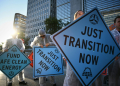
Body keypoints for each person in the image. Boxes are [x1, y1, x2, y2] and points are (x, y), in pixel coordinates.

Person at [63, 10, 84, 86]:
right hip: (72, 56)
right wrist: (65, 54)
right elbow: (65, 42)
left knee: (82, 77)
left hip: (83, 57)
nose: (81, 15)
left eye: (83, 14)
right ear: (75, 17)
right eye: (79, 14)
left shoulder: (87, 29)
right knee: (71, 77)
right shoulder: (70, 28)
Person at [108, 16, 120, 86]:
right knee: (113, 79)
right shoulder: (111, 33)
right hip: (114, 59)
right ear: (114, 24)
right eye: (118, 21)